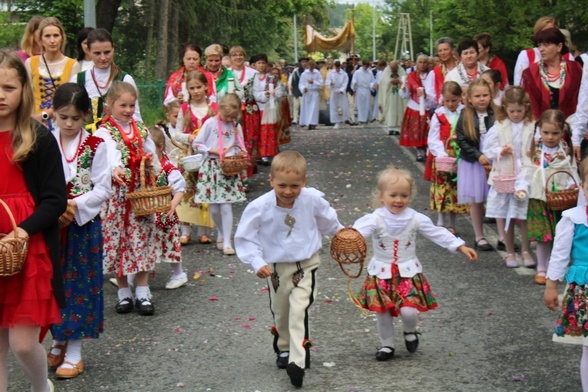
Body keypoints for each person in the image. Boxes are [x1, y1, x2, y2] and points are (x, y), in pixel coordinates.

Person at [234, 151, 343, 388]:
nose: (287, 191)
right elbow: (245, 237)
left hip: (306, 265)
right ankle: (284, 348)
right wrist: (256, 261)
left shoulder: (312, 200)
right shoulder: (259, 207)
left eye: (295, 186)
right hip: (274, 269)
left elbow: (330, 223)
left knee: (298, 310)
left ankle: (298, 360)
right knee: (280, 310)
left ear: (304, 181)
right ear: (271, 180)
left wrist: (343, 235)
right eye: (282, 185)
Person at [352, 166, 477, 361]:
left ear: (410, 196)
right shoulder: (374, 219)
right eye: (393, 195)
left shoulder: (416, 218)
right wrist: (347, 242)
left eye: (404, 195)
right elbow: (355, 234)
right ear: (382, 196)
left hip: (408, 274)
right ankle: (387, 346)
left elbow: (438, 233)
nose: (399, 200)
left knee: (409, 311)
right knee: (382, 314)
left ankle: (410, 330)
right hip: (381, 274)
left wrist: (460, 246)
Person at [0, 50, 67, 392]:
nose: (0, 95)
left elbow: (56, 200)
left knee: (23, 344)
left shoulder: (38, 138)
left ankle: (42, 388)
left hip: (29, 249)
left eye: (8, 87)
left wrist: (21, 231)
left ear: (23, 90)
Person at [48, 83, 111, 379]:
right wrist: (51, 208)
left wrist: (73, 205)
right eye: (63, 118)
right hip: (50, 225)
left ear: (85, 115)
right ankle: (58, 338)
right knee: (51, 283)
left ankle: (75, 350)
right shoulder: (45, 141)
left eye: (75, 118)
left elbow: (103, 187)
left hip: (81, 227)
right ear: (53, 115)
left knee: (79, 286)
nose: (69, 124)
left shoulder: (97, 145)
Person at [94, 81, 159, 316]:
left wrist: (154, 166)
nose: (128, 110)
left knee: (141, 240)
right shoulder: (103, 132)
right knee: (119, 242)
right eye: (123, 105)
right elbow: (107, 156)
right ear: (109, 104)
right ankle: (123, 291)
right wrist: (115, 168)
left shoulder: (140, 128)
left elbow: (151, 152)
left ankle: (143, 291)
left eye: (132, 105)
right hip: (117, 199)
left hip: (140, 197)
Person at [544, 158, 588, 392]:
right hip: (585, 291)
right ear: (582, 186)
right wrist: (551, 285)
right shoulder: (573, 218)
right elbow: (560, 254)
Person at [521, 109, 578, 284]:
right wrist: (521, 187)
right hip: (539, 199)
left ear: (562, 133)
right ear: (540, 131)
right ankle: (542, 268)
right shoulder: (534, 150)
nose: (550, 137)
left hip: (560, 200)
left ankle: (556, 269)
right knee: (543, 237)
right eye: (546, 132)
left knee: (561, 236)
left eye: (555, 133)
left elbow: (573, 174)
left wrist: (571, 187)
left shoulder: (566, 153)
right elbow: (526, 172)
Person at [482, 87, 535, 268]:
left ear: (526, 108)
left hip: (526, 174)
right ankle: (510, 251)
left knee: (525, 214)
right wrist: (500, 150)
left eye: (519, 111)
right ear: (505, 108)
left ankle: (526, 250)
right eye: (511, 111)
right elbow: (488, 149)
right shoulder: (499, 126)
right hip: (507, 172)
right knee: (508, 216)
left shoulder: (532, 126)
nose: (515, 114)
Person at [191, 93, 246, 255]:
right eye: (227, 116)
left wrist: (239, 152)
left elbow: (238, 144)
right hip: (212, 167)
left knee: (226, 205)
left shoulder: (236, 126)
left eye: (233, 117)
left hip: (228, 169)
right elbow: (196, 144)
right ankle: (221, 232)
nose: (229, 119)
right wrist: (210, 150)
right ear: (220, 109)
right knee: (214, 209)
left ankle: (228, 242)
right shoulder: (210, 124)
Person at [174, 70, 217, 246]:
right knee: (186, 192)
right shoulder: (184, 109)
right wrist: (188, 137)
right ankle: (185, 230)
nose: (196, 91)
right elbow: (176, 133)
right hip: (190, 156)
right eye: (192, 88)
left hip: (208, 157)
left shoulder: (213, 108)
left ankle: (204, 231)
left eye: (199, 87)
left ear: (206, 86)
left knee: (206, 191)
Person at [456, 78, 496, 251]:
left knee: (497, 198)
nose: (482, 99)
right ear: (470, 98)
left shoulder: (496, 113)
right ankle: (479, 236)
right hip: (474, 162)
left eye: (485, 95)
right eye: (477, 96)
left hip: (494, 159)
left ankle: (503, 236)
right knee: (478, 200)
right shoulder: (465, 115)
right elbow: (461, 139)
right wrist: (477, 155)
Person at [73, 28, 142, 123]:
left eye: (107, 52)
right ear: (88, 51)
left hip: (118, 135)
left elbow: (136, 117)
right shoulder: (78, 79)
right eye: (97, 53)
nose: (103, 58)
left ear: (113, 49)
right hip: (87, 137)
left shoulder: (125, 79)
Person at [425, 81, 468, 232]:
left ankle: (452, 223)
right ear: (442, 98)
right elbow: (433, 138)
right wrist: (441, 153)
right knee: (442, 188)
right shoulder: (439, 114)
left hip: (458, 157)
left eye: (454, 100)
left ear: (460, 98)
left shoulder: (464, 112)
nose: (450, 104)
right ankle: (441, 220)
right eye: (447, 100)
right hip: (443, 157)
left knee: (454, 190)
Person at [149, 124, 187, 289]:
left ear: (160, 147)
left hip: (165, 213)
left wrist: (172, 205)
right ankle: (128, 278)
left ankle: (179, 274)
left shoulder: (167, 168)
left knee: (170, 244)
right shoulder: (146, 167)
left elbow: (180, 187)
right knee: (144, 245)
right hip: (149, 213)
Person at [25, 17, 78, 127]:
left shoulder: (72, 65)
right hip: (33, 122)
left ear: (62, 38)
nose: (52, 40)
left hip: (61, 123)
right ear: (40, 40)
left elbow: (71, 99)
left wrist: (44, 115)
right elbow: (26, 96)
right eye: (47, 36)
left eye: (56, 35)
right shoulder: (30, 63)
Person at [521, 28, 582, 122]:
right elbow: (528, 107)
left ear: (559, 46)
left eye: (546, 45)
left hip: (572, 128)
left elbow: (583, 99)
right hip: (541, 129)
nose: (541, 49)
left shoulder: (575, 69)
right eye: (539, 45)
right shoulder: (530, 73)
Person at [513, 16, 574, 86]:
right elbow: (518, 86)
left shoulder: (568, 57)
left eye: (550, 31)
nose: (546, 35)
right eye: (543, 32)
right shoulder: (526, 55)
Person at [399, 54, 433, 161]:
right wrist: (403, 87)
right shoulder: (412, 76)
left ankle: (429, 151)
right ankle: (419, 151)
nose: (422, 65)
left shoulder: (431, 75)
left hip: (428, 106)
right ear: (417, 63)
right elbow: (405, 94)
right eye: (420, 62)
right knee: (417, 131)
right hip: (414, 107)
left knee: (427, 131)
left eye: (425, 62)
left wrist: (426, 95)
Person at [253, 54, 284, 165]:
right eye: (259, 63)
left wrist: (274, 93)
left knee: (268, 130)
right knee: (257, 131)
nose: (261, 65)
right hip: (255, 107)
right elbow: (251, 92)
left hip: (268, 107)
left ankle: (268, 153)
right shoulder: (252, 77)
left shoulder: (271, 77)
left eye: (263, 63)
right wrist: (263, 94)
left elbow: (280, 89)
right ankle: (258, 154)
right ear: (254, 65)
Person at [425, 37, 458, 106]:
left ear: (453, 51)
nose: (442, 53)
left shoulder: (462, 68)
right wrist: (425, 96)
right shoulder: (434, 73)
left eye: (445, 50)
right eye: (440, 51)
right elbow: (432, 98)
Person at [378, 61, 407, 135]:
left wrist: (399, 81)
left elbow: (405, 81)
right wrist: (390, 80)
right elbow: (383, 81)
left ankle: (398, 128)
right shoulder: (386, 70)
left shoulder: (401, 70)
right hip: (390, 94)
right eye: (392, 69)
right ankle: (390, 127)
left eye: (395, 69)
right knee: (390, 109)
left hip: (399, 95)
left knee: (399, 109)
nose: (393, 70)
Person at [299, 60, 323, 130]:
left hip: (314, 92)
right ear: (308, 66)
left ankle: (313, 123)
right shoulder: (304, 74)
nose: (311, 69)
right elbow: (301, 84)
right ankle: (307, 122)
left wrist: (314, 82)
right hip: (307, 92)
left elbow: (321, 83)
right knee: (307, 108)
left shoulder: (317, 73)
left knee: (314, 108)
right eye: (310, 67)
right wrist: (303, 88)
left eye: (312, 67)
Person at [325, 60, 349, 129]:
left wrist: (341, 90)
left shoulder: (344, 74)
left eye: (339, 68)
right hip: (334, 92)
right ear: (334, 66)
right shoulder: (330, 73)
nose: (337, 69)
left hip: (341, 93)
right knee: (334, 107)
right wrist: (330, 83)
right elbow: (327, 81)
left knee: (342, 107)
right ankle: (336, 122)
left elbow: (345, 83)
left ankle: (342, 121)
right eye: (336, 68)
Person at [351, 59, 375, 125]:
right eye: (365, 66)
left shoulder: (370, 72)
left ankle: (366, 118)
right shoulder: (357, 72)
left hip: (367, 90)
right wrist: (355, 83)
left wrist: (372, 85)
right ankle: (360, 119)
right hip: (360, 90)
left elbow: (372, 81)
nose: (366, 68)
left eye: (367, 66)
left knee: (367, 105)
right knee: (360, 105)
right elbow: (354, 80)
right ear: (363, 65)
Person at [287, 57, 308, 125]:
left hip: (305, 91)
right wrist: (292, 91)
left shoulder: (308, 70)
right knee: (295, 106)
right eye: (302, 62)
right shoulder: (296, 70)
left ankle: (304, 119)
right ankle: (295, 119)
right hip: (296, 90)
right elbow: (293, 81)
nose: (304, 63)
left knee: (303, 106)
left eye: (305, 62)